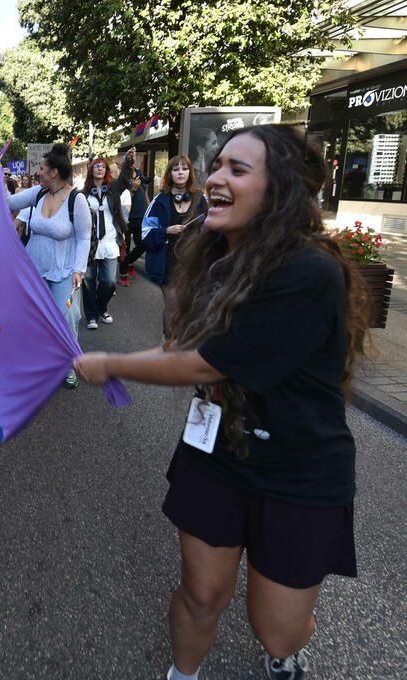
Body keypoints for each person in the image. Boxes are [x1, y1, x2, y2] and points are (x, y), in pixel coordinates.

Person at [73, 125, 368, 680]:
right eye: (218, 166)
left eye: (237, 169)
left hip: (299, 470)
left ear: (279, 191)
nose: (215, 178)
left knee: (277, 628)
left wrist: (109, 363)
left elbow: (210, 361)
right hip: (217, 453)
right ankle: (182, 675)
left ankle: (285, 652)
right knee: (202, 593)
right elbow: (179, 346)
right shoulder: (216, 258)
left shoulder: (309, 270)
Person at [8, 143, 91, 388]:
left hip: (64, 272)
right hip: (33, 270)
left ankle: (70, 364)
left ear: (54, 172)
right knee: (35, 318)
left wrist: (79, 270)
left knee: (66, 319)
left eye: (41, 169)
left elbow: (85, 237)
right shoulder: (37, 193)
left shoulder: (77, 201)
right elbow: (10, 202)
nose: (38, 173)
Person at [140, 156, 209, 339]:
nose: (180, 173)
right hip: (168, 263)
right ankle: (168, 345)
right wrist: (165, 231)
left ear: (190, 173)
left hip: (194, 264)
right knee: (172, 307)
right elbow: (146, 234)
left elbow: (214, 229)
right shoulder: (160, 200)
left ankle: (184, 344)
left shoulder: (201, 199)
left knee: (190, 308)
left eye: (184, 169)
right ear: (169, 173)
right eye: (176, 169)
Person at [81, 148, 136, 329]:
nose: (99, 169)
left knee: (110, 282)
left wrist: (128, 162)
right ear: (91, 170)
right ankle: (91, 316)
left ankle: (101, 307)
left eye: (103, 166)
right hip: (89, 244)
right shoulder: (83, 194)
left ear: (106, 170)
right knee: (88, 281)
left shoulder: (113, 189)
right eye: (96, 166)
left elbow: (126, 179)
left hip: (110, 242)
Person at [121, 169, 153, 285]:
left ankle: (129, 262)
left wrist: (150, 209)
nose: (133, 156)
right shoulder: (123, 176)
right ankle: (123, 274)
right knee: (126, 246)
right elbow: (123, 199)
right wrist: (133, 188)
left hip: (141, 217)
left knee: (143, 244)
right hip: (127, 218)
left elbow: (144, 193)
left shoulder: (139, 173)